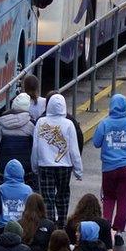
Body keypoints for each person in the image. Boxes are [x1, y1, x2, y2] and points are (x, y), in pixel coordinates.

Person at [93, 93, 126, 247]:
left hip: (108, 168)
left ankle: (105, 230)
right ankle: (119, 232)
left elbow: (96, 143)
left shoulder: (104, 124)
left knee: (108, 199)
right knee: (124, 200)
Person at [32, 94, 83, 228]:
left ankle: (49, 227)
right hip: (64, 165)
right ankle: (61, 224)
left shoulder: (41, 122)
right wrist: (78, 170)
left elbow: (35, 146)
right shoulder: (69, 124)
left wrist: (34, 165)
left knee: (47, 198)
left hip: (45, 164)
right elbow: (73, 149)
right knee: (63, 195)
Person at [0, 93, 37, 190]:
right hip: (26, 170)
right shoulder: (31, 125)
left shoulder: (2, 124)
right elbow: (36, 149)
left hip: (5, 168)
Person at [0, 159, 33, 239]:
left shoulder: (0, 189)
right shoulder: (28, 190)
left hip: (3, 226)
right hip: (21, 226)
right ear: (22, 172)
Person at [46, 90, 85, 156]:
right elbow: (78, 140)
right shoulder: (70, 122)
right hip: (65, 161)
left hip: (45, 162)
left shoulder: (40, 121)